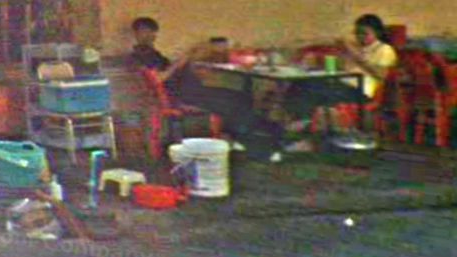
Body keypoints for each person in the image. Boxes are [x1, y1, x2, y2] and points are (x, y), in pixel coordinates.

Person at [126, 17, 284, 158]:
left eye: (152, 32)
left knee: (238, 96)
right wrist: (180, 62)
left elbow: (171, 71)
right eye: (144, 32)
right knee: (234, 101)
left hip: (191, 90)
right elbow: (159, 79)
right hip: (183, 96)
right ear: (136, 34)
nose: (149, 35)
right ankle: (257, 137)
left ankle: (250, 134)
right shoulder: (139, 57)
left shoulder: (153, 53)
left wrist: (189, 63)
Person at [283, 13, 398, 151]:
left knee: (316, 90)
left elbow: (381, 74)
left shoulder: (384, 50)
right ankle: (299, 122)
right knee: (302, 84)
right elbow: (343, 67)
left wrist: (355, 55)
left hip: (361, 90)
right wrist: (337, 55)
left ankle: (306, 127)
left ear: (377, 33)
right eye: (357, 33)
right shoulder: (358, 48)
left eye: (364, 33)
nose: (360, 37)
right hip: (344, 84)